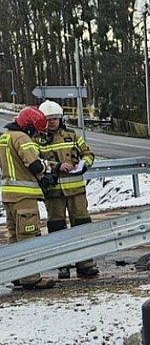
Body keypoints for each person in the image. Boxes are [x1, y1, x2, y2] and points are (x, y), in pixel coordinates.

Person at [37, 100, 99, 279]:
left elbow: (88, 154)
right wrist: (57, 166)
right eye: (48, 119)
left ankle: (86, 264)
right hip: (54, 193)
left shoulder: (72, 135)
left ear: (60, 118)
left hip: (76, 192)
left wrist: (83, 165)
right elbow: (35, 162)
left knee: (82, 226)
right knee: (57, 229)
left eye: (55, 119)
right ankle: (62, 266)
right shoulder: (37, 139)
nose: (52, 122)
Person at [0, 107, 57, 289]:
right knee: (28, 235)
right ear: (29, 127)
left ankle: (16, 274)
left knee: (14, 236)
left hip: (8, 195)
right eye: (36, 131)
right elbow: (33, 164)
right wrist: (45, 172)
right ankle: (31, 278)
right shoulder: (22, 138)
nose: (36, 135)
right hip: (24, 196)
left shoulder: (5, 137)